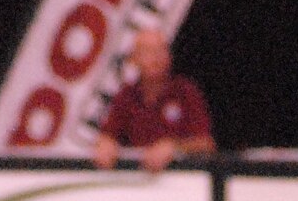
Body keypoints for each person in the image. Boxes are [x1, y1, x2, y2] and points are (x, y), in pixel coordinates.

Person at [92, 28, 215, 175]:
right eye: (147, 52)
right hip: (137, 182)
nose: (155, 57)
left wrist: (173, 147)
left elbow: (205, 143)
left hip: (181, 180)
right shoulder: (126, 96)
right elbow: (108, 134)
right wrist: (105, 144)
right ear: (134, 59)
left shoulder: (185, 92)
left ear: (169, 56)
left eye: (160, 50)